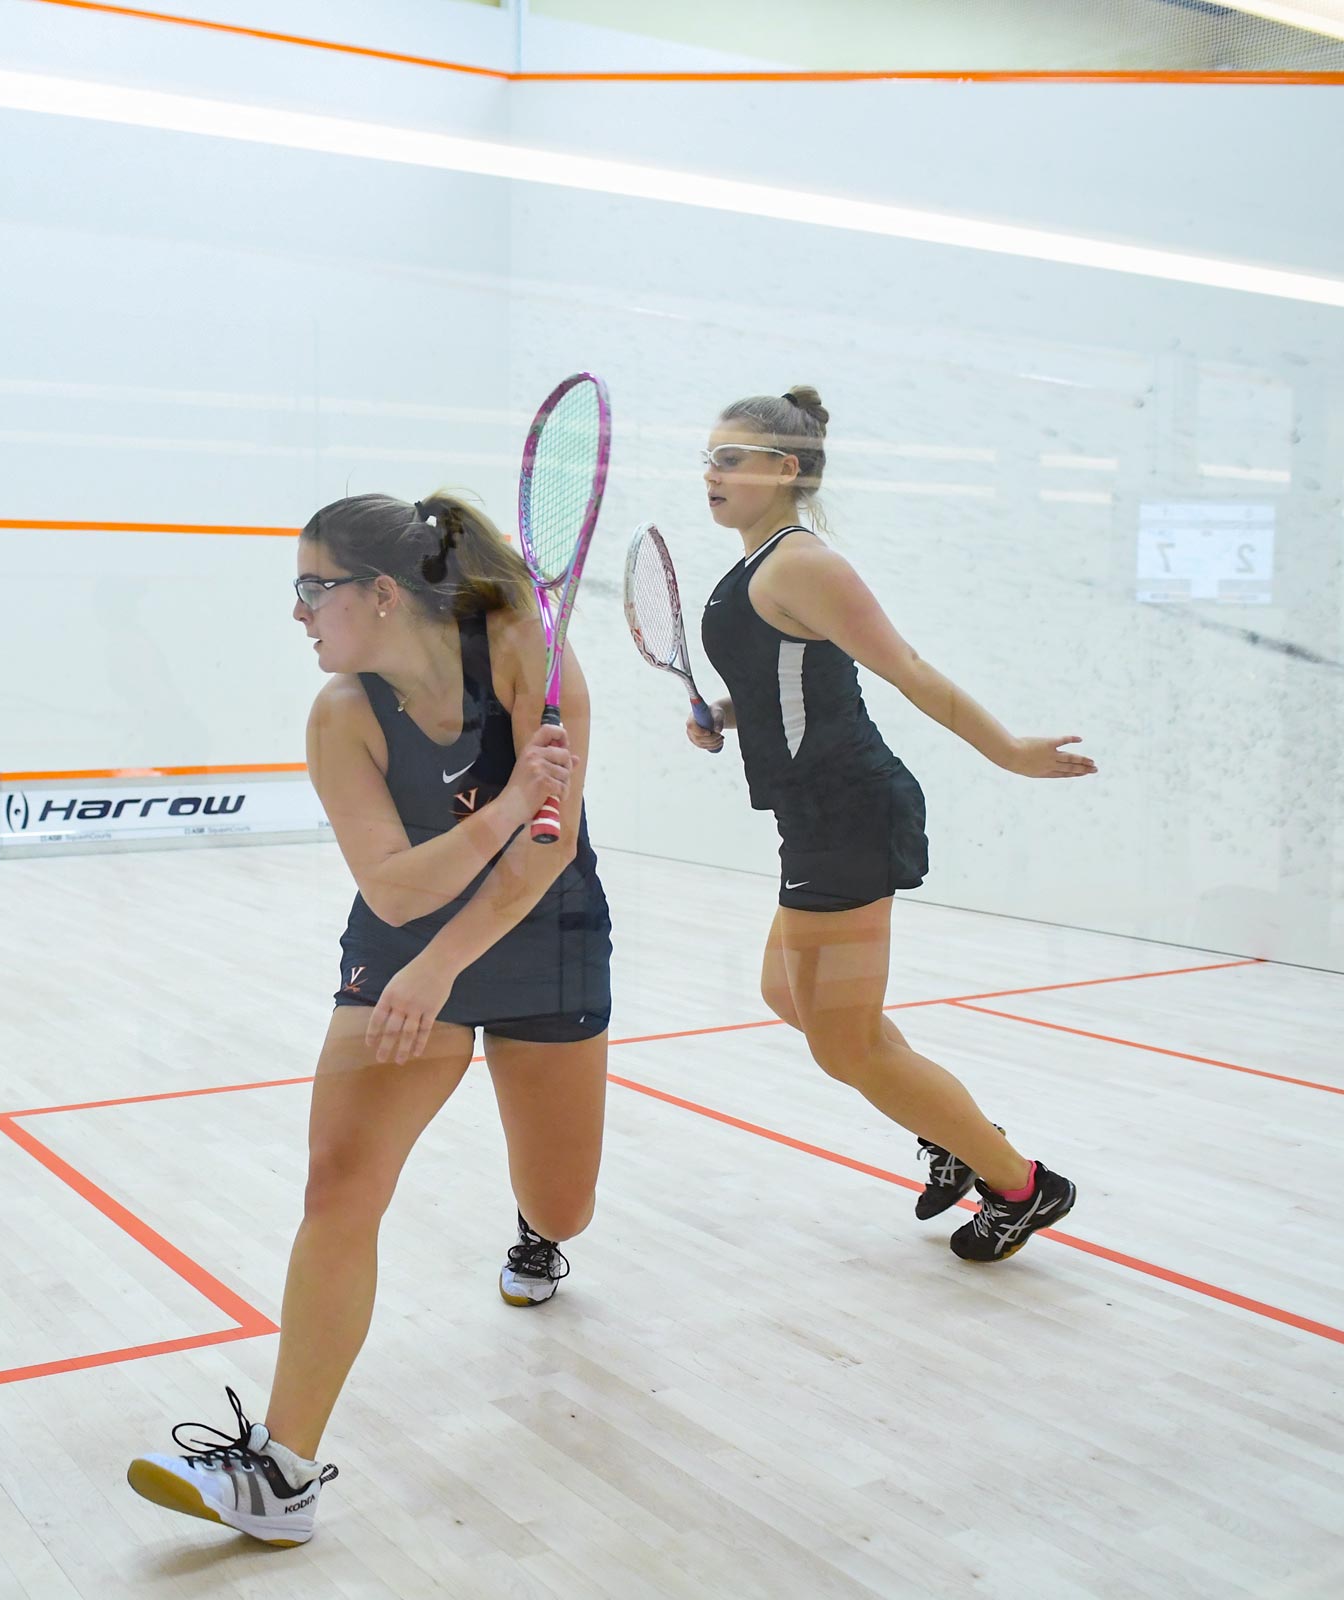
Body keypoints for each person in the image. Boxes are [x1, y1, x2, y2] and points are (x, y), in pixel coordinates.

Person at [126, 491, 611, 1545]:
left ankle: (540, 1235)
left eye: (313, 588)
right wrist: (479, 849)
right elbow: (391, 888)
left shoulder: (531, 650)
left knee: (565, 1201)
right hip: (402, 949)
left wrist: (447, 956)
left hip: (546, 933)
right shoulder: (342, 713)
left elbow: (548, 846)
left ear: (382, 593)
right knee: (338, 1181)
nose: (299, 613)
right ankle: (281, 1470)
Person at [691, 387, 1095, 1264]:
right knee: (791, 999)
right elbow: (791, 677)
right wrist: (727, 713)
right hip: (816, 814)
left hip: (846, 811)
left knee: (847, 1044)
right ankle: (952, 1133)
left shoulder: (802, 563)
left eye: (730, 457)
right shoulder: (754, 565)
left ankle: (1022, 1185)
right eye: (708, 457)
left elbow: (905, 668)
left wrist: (1009, 752)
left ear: (784, 469)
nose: (711, 473)